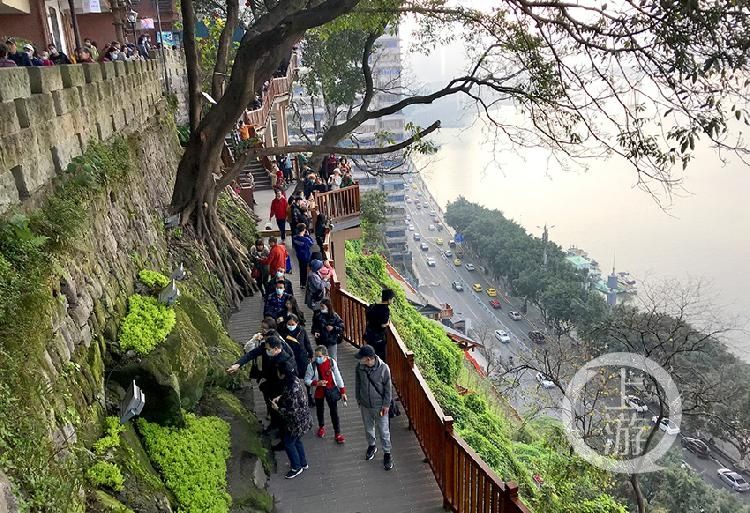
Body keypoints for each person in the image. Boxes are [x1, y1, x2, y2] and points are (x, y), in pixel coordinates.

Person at [227, 331, 295, 433]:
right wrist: (238, 364)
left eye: (268, 349)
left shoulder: (286, 358)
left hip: (281, 387)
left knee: (280, 410)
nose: (266, 350)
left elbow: (291, 379)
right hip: (268, 383)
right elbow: (251, 354)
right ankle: (273, 424)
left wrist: (282, 395)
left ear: (276, 348)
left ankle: (282, 432)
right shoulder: (266, 347)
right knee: (270, 405)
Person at [354, 345, 394, 470]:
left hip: (380, 406)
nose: (360, 360)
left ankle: (387, 453)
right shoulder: (360, 367)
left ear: (370, 359)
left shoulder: (383, 368)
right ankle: (372, 446)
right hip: (365, 404)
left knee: (383, 430)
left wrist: (386, 404)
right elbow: (358, 383)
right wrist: (359, 399)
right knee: (368, 428)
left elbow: (388, 388)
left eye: (363, 358)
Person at [271, 364, 312, 479]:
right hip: (304, 418)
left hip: (296, 421)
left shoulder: (289, 387)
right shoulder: (294, 381)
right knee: (297, 440)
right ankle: (303, 463)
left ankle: (296, 467)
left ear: (282, 374)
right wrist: (280, 397)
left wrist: (277, 409)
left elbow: (292, 411)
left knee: (288, 443)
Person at [304, 345, 346, 443]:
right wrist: (316, 383)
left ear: (325, 356)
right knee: (320, 410)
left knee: (334, 412)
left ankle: (337, 433)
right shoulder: (312, 366)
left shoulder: (331, 362)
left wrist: (342, 391)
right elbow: (306, 380)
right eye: (316, 356)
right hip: (319, 391)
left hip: (331, 389)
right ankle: (321, 426)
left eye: (319, 356)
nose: (317, 358)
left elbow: (337, 376)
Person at [364, 288, 395, 361]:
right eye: (392, 299)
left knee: (371, 354)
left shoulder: (373, 306)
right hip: (378, 338)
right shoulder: (385, 309)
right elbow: (383, 324)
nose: (392, 301)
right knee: (380, 357)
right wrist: (387, 323)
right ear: (389, 299)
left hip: (369, 334)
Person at [281, 314, 313, 379]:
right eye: (289, 324)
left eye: (293, 324)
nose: (291, 326)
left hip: (302, 357)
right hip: (290, 357)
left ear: (297, 323)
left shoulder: (302, 330)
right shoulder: (283, 332)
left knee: (305, 376)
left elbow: (307, 343)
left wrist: (310, 354)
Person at [292, 223, 315, 289]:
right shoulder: (306, 240)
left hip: (299, 255)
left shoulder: (295, 238)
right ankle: (305, 284)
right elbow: (311, 243)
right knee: (305, 270)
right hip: (306, 256)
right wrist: (308, 236)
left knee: (301, 269)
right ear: (304, 230)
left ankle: (302, 283)